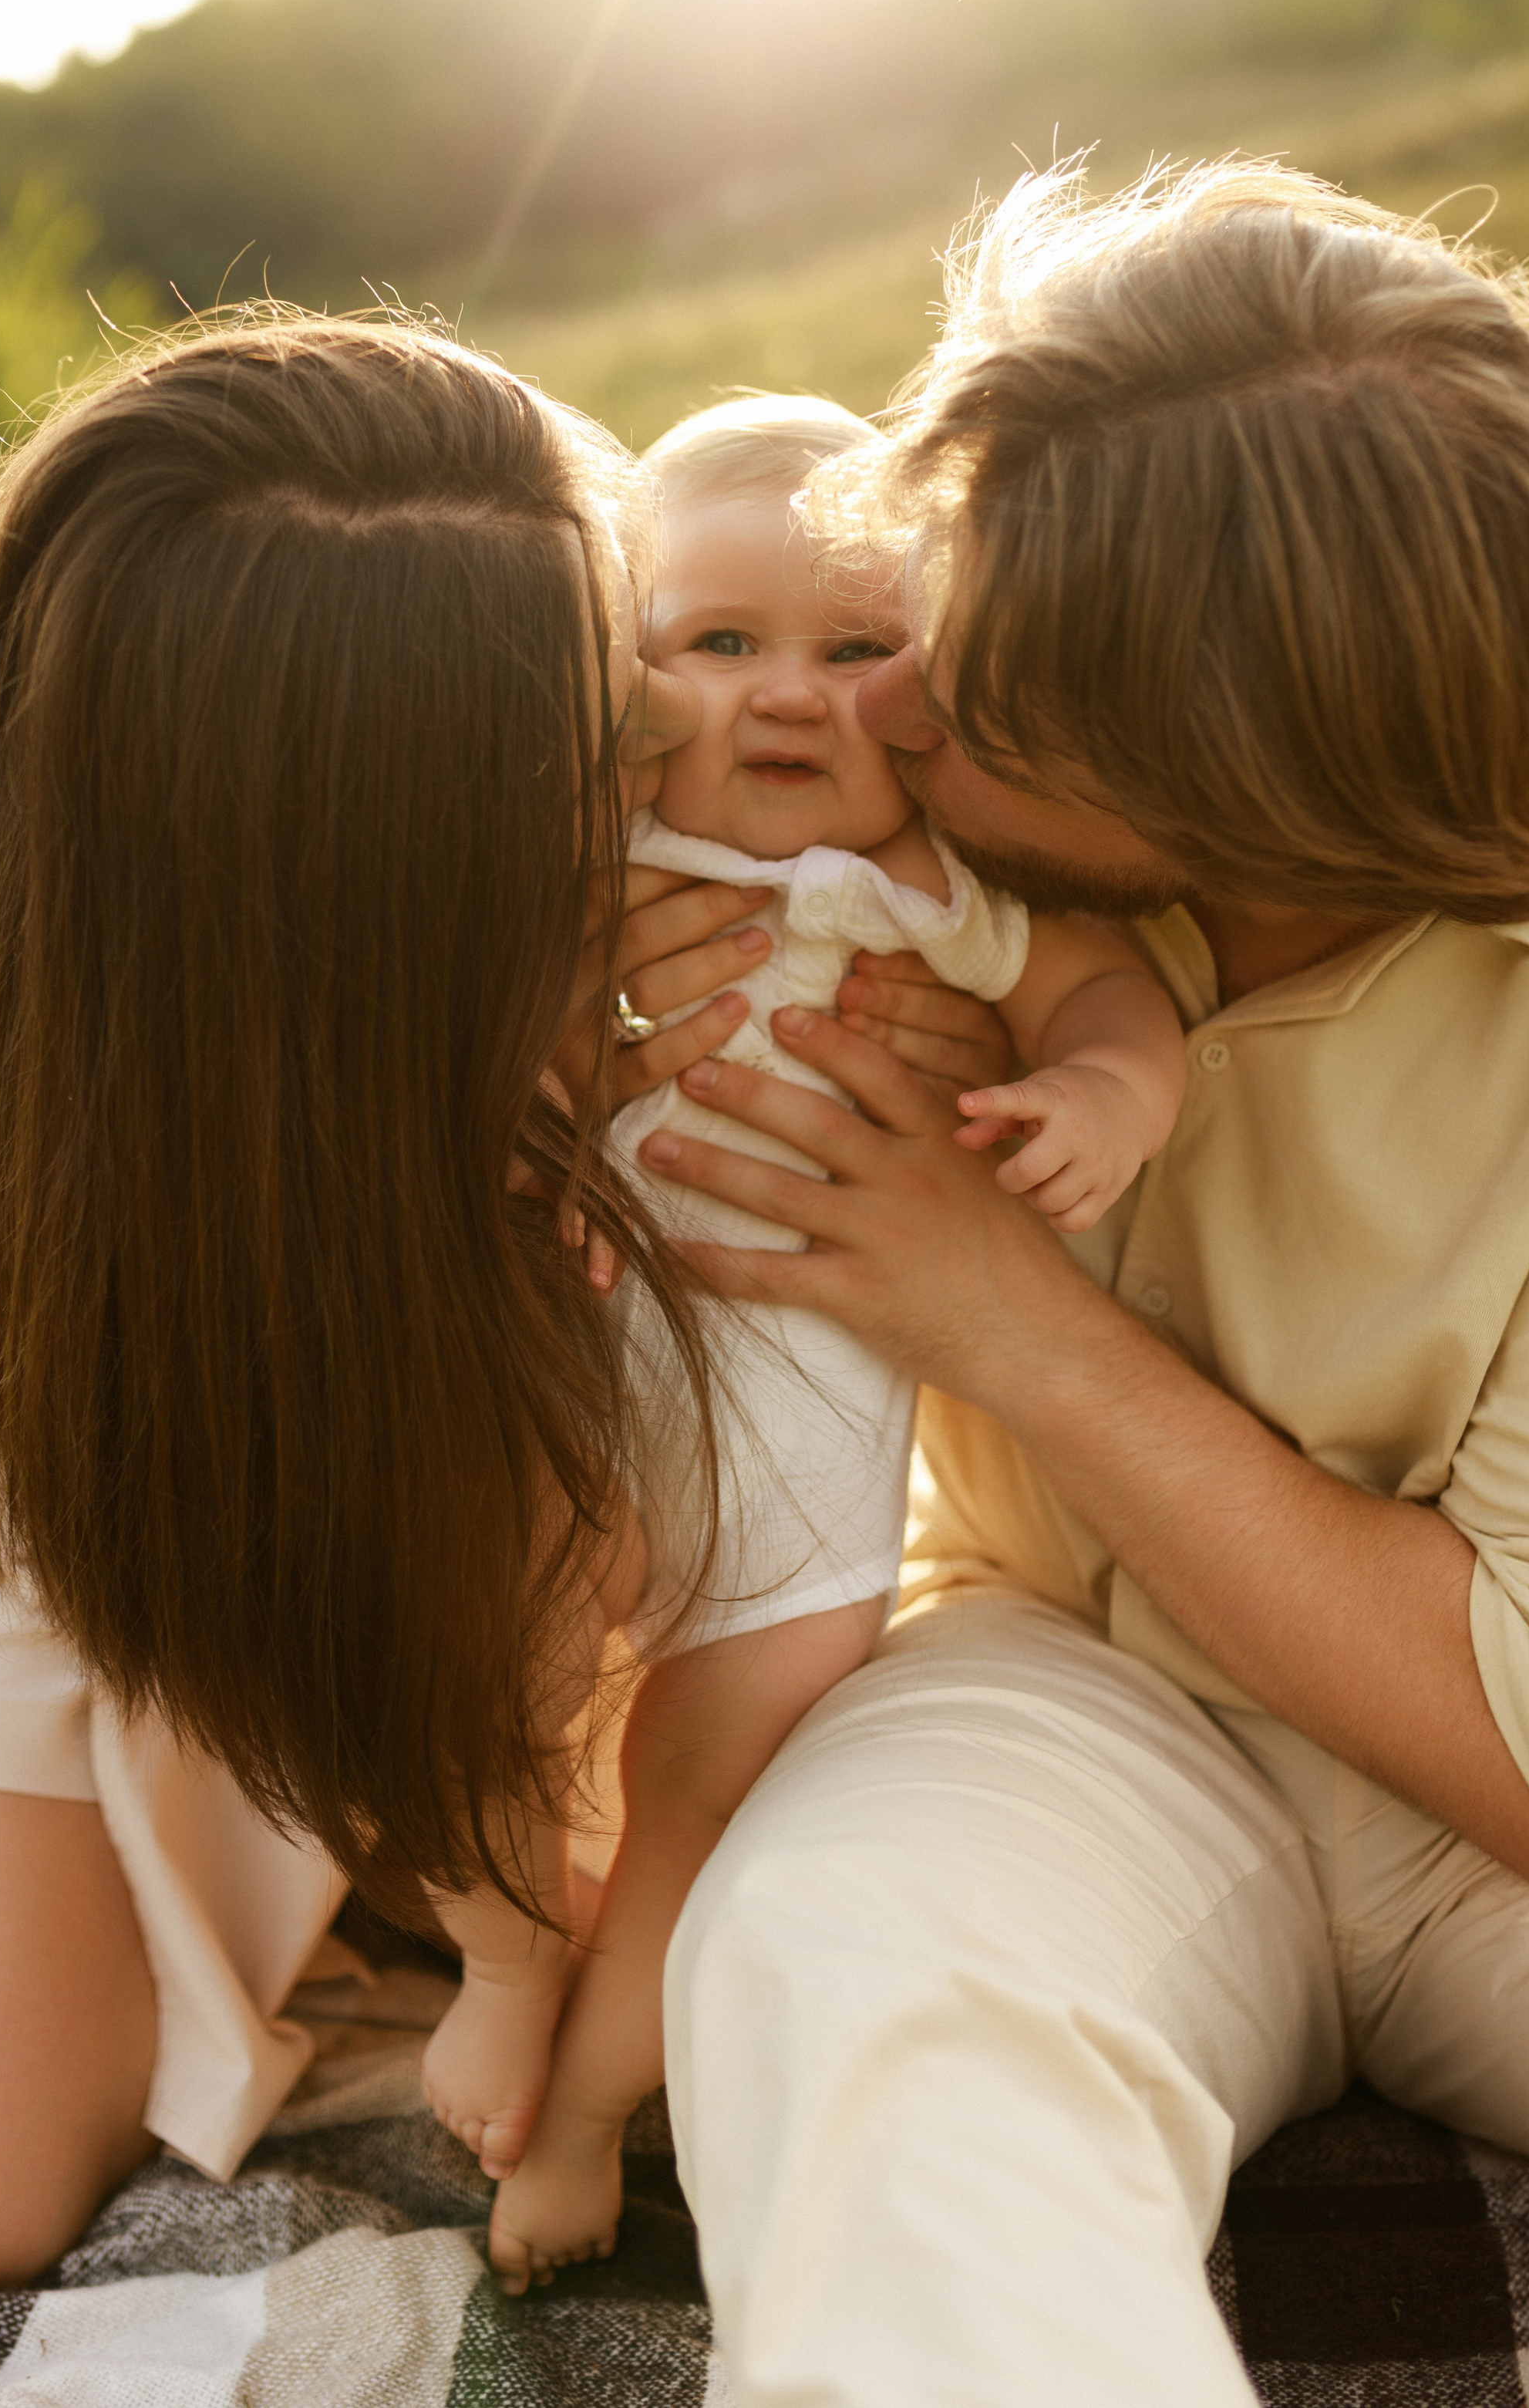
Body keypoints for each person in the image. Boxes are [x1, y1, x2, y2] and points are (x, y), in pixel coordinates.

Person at [626, 162, 1529, 2405]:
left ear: (1248, 804)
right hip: (1078, 1687)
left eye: (978, 689)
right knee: (849, 1971)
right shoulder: (885, 838)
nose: (883, 702)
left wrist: (993, 1300)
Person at [0, 312, 778, 2308]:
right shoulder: (24, 1146)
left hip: (380, 1294)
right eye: (584, 780)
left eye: (618, 738)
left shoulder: (666, 800)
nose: (638, 809)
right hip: (86, 1372)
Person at [435, 394, 1186, 2292]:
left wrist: (1102, 1089)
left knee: (699, 1794)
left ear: (933, 686)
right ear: (624, 676)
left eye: (854, 650)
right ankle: (509, 1951)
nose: (788, 696)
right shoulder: (584, 855)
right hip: (580, 1411)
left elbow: (1106, 992)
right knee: (479, 1671)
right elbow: (461, 1048)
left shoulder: (946, 889)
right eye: (720, 644)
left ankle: (598, 2113)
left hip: (802, 1472)